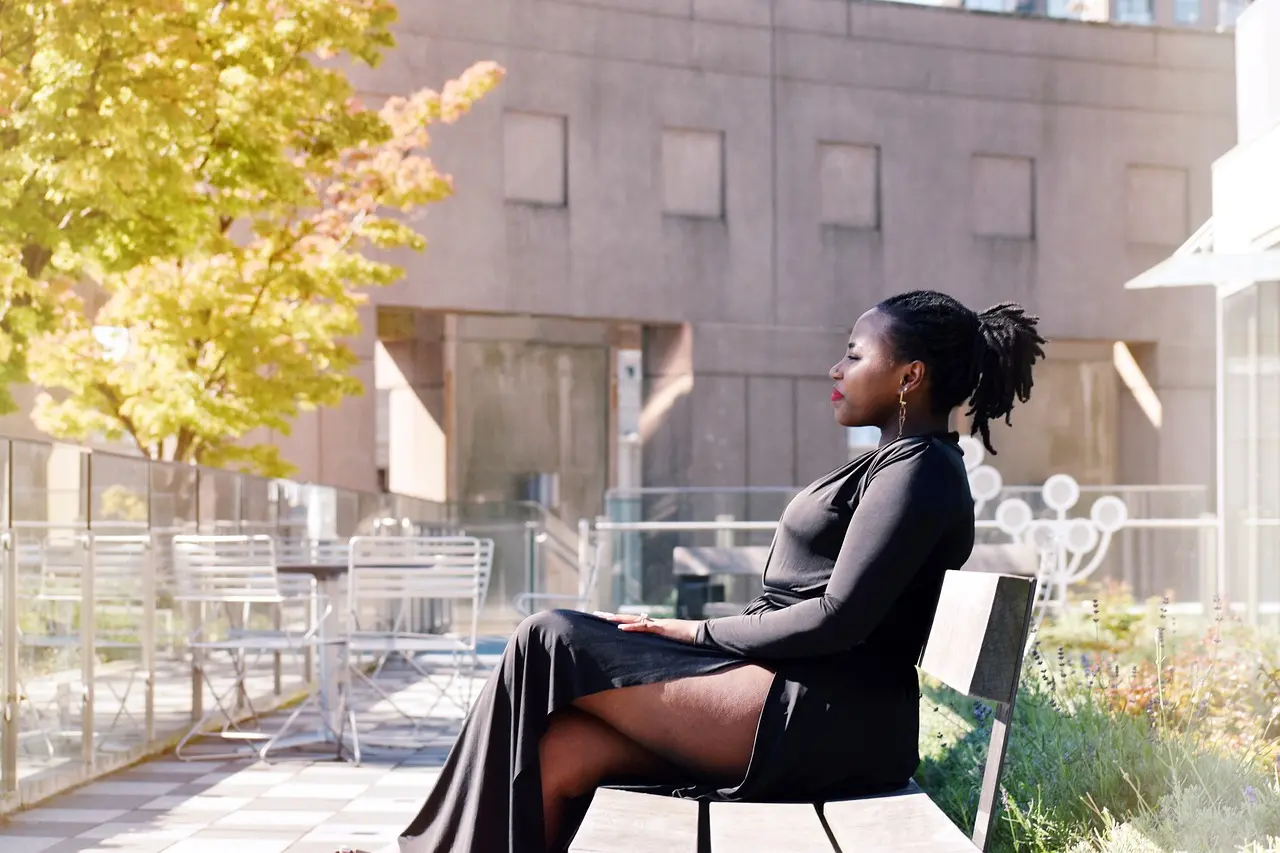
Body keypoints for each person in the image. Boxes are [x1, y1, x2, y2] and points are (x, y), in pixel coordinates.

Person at [343, 289, 1046, 853]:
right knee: (562, 752)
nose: (836, 369)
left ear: (908, 375)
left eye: (854, 354)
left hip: (828, 714)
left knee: (545, 639)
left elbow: (840, 617)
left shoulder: (919, 471)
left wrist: (698, 631)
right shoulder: (901, 463)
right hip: (803, 696)